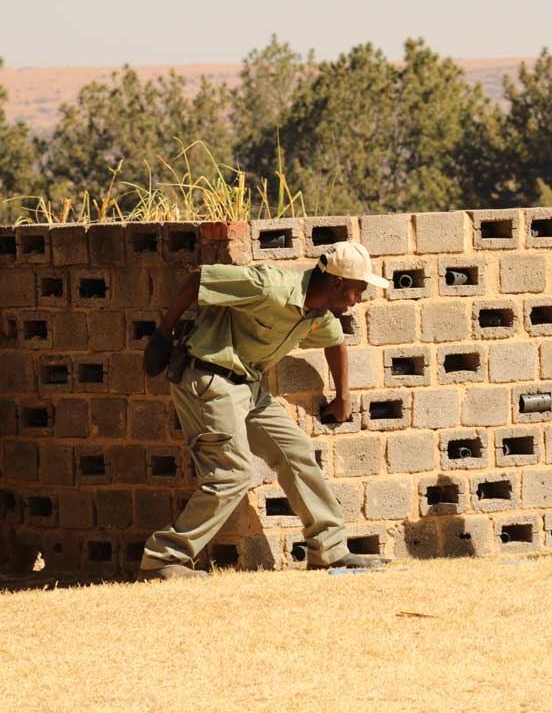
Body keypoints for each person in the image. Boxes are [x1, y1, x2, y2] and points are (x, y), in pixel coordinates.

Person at [138, 241, 391, 580]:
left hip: (249, 386)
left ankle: (329, 551)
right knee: (233, 473)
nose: (359, 298)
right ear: (337, 283)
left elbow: (336, 342)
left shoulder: (318, 314)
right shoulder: (270, 287)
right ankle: (163, 558)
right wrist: (162, 334)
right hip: (209, 377)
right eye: (358, 290)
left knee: (296, 450)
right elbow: (200, 280)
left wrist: (342, 395)